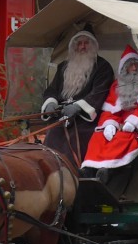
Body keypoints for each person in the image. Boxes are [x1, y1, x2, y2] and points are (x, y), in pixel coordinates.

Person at [81, 46, 138, 179]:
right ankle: (89, 168)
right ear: (124, 69)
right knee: (99, 136)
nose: (134, 69)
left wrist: (133, 122)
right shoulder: (117, 86)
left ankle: (107, 170)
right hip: (121, 124)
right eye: (130, 65)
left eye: (137, 64)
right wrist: (109, 124)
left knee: (123, 137)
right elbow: (109, 110)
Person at [40, 24, 114, 166]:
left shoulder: (103, 67)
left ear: (93, 46)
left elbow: (99, 93)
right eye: (79, 43)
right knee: (53, 133)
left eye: (86, 43)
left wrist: (78, 106)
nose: (82, 47)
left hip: (86, 120)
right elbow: (52, 89)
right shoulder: (63, 66)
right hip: (62, 115)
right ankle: (50, 171)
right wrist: (51, 102)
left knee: (76, 137)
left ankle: (73, 174)